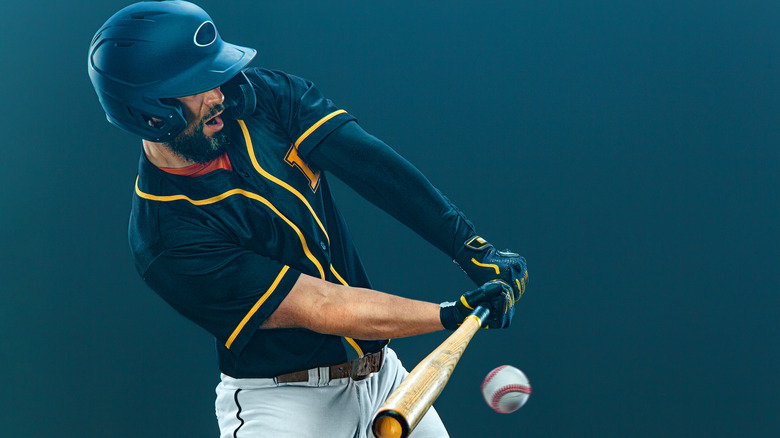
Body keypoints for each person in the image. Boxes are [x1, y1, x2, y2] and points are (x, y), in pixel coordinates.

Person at [88, 1, 528, 437]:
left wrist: (472, 248)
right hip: (284, 405)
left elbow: (376, 170)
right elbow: (322, 306)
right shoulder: (165, 237)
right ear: (147, 110)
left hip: (384, 380)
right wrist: (448, 314)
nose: (218, 94)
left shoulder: (266, 99)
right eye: (194, 83)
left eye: (214, 75)